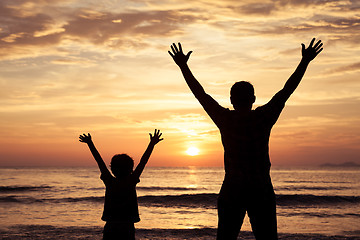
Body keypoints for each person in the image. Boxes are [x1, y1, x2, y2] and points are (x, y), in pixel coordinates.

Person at [168, 38, 323, 240]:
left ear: (231, 100)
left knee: (226, 237)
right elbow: (286, 90)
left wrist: (183, 66)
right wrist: (305, 62)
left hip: (233, 188)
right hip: (261, 188)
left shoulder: (225, 118)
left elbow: (200, 94)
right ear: (253, 99)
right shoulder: (263, 117)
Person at [79, 129, 163, 240]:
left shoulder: (110, 181)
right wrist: (151, 144)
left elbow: (99, 161)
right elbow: (143, 162)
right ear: (131, 169)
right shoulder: (131, 181)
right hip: (127, 225)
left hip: (111, 224)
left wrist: (90, 143)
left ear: (112, 169)